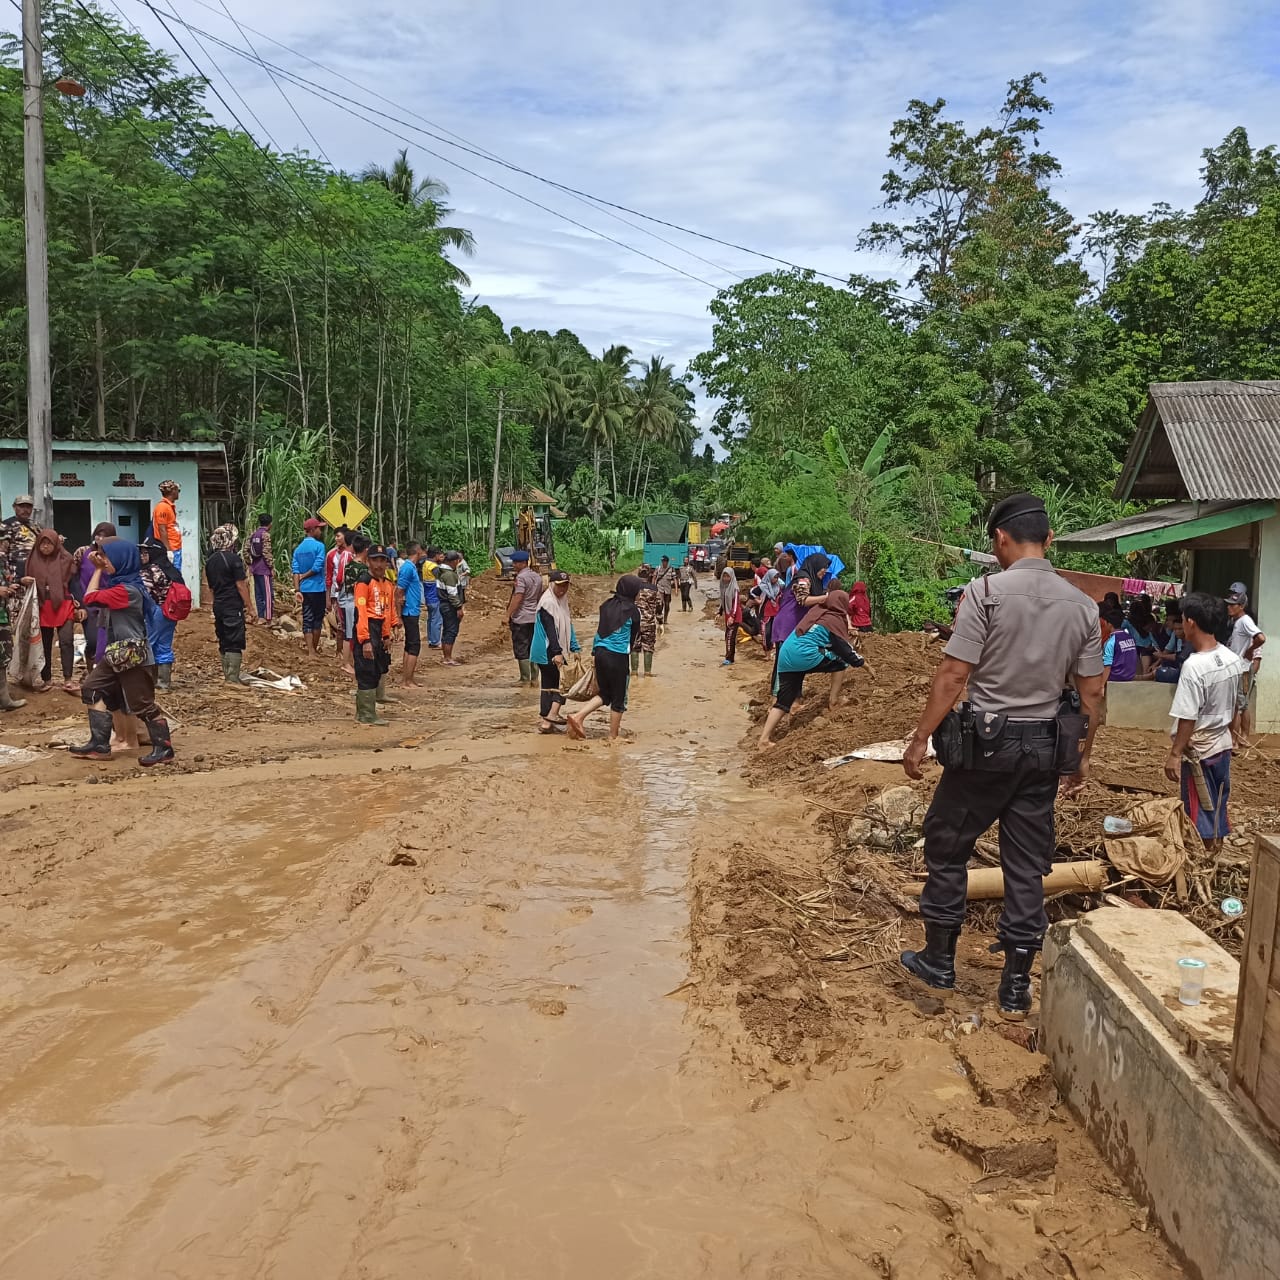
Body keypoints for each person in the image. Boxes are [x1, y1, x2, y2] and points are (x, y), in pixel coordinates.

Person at [899, 493, 1105, 1022]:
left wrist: (920, 736)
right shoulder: (1083, 605)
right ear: (1049, 540)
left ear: (999, 539)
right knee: (1026, 867)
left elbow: (952, 675)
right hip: (1042, 753)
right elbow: (1092, 695)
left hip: (983, 750)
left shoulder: (984, 593)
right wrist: (1081, 758)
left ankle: (939, 962)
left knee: (947, 847)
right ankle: (1015, 987)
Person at [69, 538, 174, 765]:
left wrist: (97, 569)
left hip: (132, 656)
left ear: (121, 560)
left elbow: (89, 597)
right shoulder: (122, 584)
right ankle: (99, 743)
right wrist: (101, 568)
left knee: (143, 704)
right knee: (91, 688)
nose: (103, 561)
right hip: (117, 653)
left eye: (106, 557)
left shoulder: (127, 591)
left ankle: (164, 749)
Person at [1166, 593, 1249, 852]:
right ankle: (1216, 854)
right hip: (1222, 746)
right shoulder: (1232, 659)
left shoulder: (1194, 666)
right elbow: (1235, 705)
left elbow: (1187, 717)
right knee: (1217, 805)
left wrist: (1175, 754)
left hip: (1199, 751)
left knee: (1199, 809)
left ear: (1191, 622)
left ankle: (1201, 862)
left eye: (1182, 620)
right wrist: (1233, 735)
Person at [758, 586, 864, 747]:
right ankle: (833, 701)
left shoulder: (817, 612)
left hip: (786, 654)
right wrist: (863, 664)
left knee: (782, 701)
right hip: (802, 655)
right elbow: (844, 650)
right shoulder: (833, 619)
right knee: (841, 663)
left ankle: (764, 740)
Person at [566, 575, 642, 744]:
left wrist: (594, 653)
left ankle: (578, 716)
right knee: (619, 698)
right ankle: (613, 737)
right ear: (631, 592)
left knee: (606, 694)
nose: (639, 594)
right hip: (617, 657)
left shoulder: (606, 605)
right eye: (638, 591)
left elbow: (600, 630)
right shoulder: (634, 612)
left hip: (600, 654)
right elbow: (633, 639)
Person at [26, 528, 78, 693]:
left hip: (64, 603)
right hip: (42, 605)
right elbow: (24, 578)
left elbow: (75, 581)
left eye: (50, 543)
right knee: (45, 644)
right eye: (43, 543)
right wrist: (23, 581)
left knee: (66, 641)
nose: (46, 547)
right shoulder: (32, 560)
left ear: (56, 543)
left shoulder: (66, 559)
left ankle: (68, 679)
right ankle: (47, 679)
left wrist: (79, 603)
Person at [353, 545, 400, 724]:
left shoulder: (387, 584)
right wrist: (365, 639)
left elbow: (388, 610)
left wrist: (387, 634)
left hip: (380, 628)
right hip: (367, 627)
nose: (379, 564)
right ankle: (366, 714)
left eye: (382, 560)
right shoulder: (364, 582)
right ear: (368, 561)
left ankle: (365, 711)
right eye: (375, 560)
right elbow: (361, 612)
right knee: (366, 670)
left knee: (377, 669)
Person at [531, 570, 579, 732]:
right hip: (548, 649)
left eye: (565, 586)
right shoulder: (548, 603)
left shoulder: (562, 601)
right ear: (552, 584)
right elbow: (551, 630)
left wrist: (574, 645)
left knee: (548, 685)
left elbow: (568, 624)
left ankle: (546, 723)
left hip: (550, 649)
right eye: (559, 586)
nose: (562, 589)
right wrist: (557, 652)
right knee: (564, 684)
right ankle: (552, 714)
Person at [205, 524, 252, 684]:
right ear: (230, 541)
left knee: (223, 640)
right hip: (232, 605)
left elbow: (211, 588)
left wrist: (214, 605)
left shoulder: (210, 561)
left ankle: (227, 675)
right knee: (234, 640)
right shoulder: (233, 559)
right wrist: (250, 607)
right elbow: (240, 585)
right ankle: (232, 679)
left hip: (219, 605)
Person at [139, 536, 184, 691]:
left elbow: (144, 593)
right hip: (170, 612)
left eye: (146, 552)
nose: (142, 555)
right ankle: (163, 682)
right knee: (164, 645)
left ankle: (146, 682)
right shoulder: (170, 569)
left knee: (148, 644)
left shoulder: (150, 571)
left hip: (155, 611)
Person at [71, 522, 116, 671]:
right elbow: (73, 577)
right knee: (93, 640)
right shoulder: (83, 552)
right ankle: (91, 670)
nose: (100, 538)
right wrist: (78, 602)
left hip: (107, 604)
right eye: (98, 534)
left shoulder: (114, 556)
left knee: (106, 641)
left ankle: (99, 673)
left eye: (105, 536)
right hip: (88, 604)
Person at [1225, 587, 1265, 746]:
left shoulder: (1244, 621)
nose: (1229, 607)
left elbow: (1261, 638)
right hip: (1238, 667)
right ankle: (1239, 738)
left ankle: (1239, 739)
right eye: (1228, 604)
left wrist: (1249, 651)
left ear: (1241, 606)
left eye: (1233, 604)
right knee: (1239, 705)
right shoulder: (1238, 622)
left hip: (1242, 668)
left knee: (1239, 706)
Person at [505, 550, 544, 686]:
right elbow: (540, 596)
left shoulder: (521, 578)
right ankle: (535, 679)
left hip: (521, 618)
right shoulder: (537, 577)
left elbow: (518, 597)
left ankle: (525, 679)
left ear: (523, 563)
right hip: (534, 617)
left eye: (516, 563)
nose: (513, 565)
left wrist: (507, 615)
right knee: (534, 647)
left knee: (521, 647)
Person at [291, 517, 328, 656]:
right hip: (318, 588)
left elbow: (295, 570)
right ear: (312, 530)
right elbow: (317, 567)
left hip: (305, 590)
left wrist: (297, 589)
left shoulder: (298, 549)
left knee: (307, 618)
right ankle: (313, 648)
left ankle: (310, 650)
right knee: (317, 619)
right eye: (319, 528)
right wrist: (304, 576)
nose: (320, 531)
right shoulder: (319, 546)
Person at [0, 529, 26, 711]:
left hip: (2, 615)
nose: (5, 546)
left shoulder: (3, 562)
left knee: (3, 656)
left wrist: (10, 587)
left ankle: (4, 698)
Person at [395, 541, 426, 687]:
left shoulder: (409, 567)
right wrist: (399, 615)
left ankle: (407, 679)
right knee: (414, 645)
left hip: (411, 610)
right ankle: (407, 680)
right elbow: (399, 592)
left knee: (410, 645)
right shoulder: (408, 568)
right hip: (410, 611)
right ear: (418, 551)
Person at [326, 526, 353, 671]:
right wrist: (328, 598)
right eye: (335, 536)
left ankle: (346, 654)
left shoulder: (351, 554)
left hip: (349, 594)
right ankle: (340, 652)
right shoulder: (331, 555)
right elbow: (329, 577)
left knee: (347, 626)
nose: (337, 539)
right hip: (337, 594)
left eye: (339, 536)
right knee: (342, 625)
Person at [436, 551, 466, 665]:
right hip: (449, 606)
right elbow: (452, 594)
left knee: (447, 630)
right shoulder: (449, 575)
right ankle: (448, 658)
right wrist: (459, 608)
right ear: (454, 561)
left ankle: (446, 657)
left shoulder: (441, 571)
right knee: (451, 631)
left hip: (444, 605)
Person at [1, 493, 39, 581]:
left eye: (28, 507)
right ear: (14, 507)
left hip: (34, 570)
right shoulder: (6, 525)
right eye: (22, 506)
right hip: (16, 572)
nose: (25, 510)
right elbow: (2, 553)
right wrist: (7, 576)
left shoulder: (36, 526)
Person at [245, 513, 274, 623]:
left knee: (258, 593)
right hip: (264, 568)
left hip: (255, 568)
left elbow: (245, 550)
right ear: (270, 524)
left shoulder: (253, 535)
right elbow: (266, 552)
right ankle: (268, 618)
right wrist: (271, 567)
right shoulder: (265, 535)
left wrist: (250, 564)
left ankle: (261, 616)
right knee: (267, 594)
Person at [632, 564, 660, 677]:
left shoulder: (633, 588)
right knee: (648, 646)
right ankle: (647, 672)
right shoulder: (654, 589)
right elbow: (659, 606)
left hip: (634, 622)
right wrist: (661, 621)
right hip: (649, 623)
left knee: (634, 646)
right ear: (649, 574)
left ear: (638, 574)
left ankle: (634, 672)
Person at [152, 480, 183, 573]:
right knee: (172, 575)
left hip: (175, 547)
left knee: (176, 574)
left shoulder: (169, 506)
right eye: (178, 490)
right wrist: (168, 550)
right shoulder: (163, 507)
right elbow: (162, 529)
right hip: (170, 548)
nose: (178, 493)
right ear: (173, 491)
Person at [718, 567, 742, 666]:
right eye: (724, 576)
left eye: (728, 576)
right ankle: (730, 656)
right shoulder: (724, 587)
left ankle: (729, 658)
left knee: (730, 637)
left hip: (734, 616)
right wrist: (719, 612)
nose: (725, 578)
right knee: (727, 636)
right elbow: (723, 601)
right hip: (728, 615)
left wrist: (732, 616)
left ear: (732, 576)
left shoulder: (735, 588)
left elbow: (736, 604)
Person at [422, 545, 443, 650]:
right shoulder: (434, 567)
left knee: (431, 619)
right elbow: (442, 578)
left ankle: (431, 640)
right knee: (436, 620)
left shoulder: (426, 564)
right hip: (435, 596)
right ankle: (435, 642)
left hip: (428, 596)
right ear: (436, 555)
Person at [654, 556, 677, 625]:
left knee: (667, 605)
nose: (663, 563)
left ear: (667, 562)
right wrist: (652, 587)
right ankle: (659, 618)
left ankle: (665, 619)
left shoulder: (671, 569)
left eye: (664, 561)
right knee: (660, 604)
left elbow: (675, 579)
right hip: (659, 588)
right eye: (662, 561)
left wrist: (676, 590)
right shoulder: (658, 568)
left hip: (667, 589)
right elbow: (654, 578)